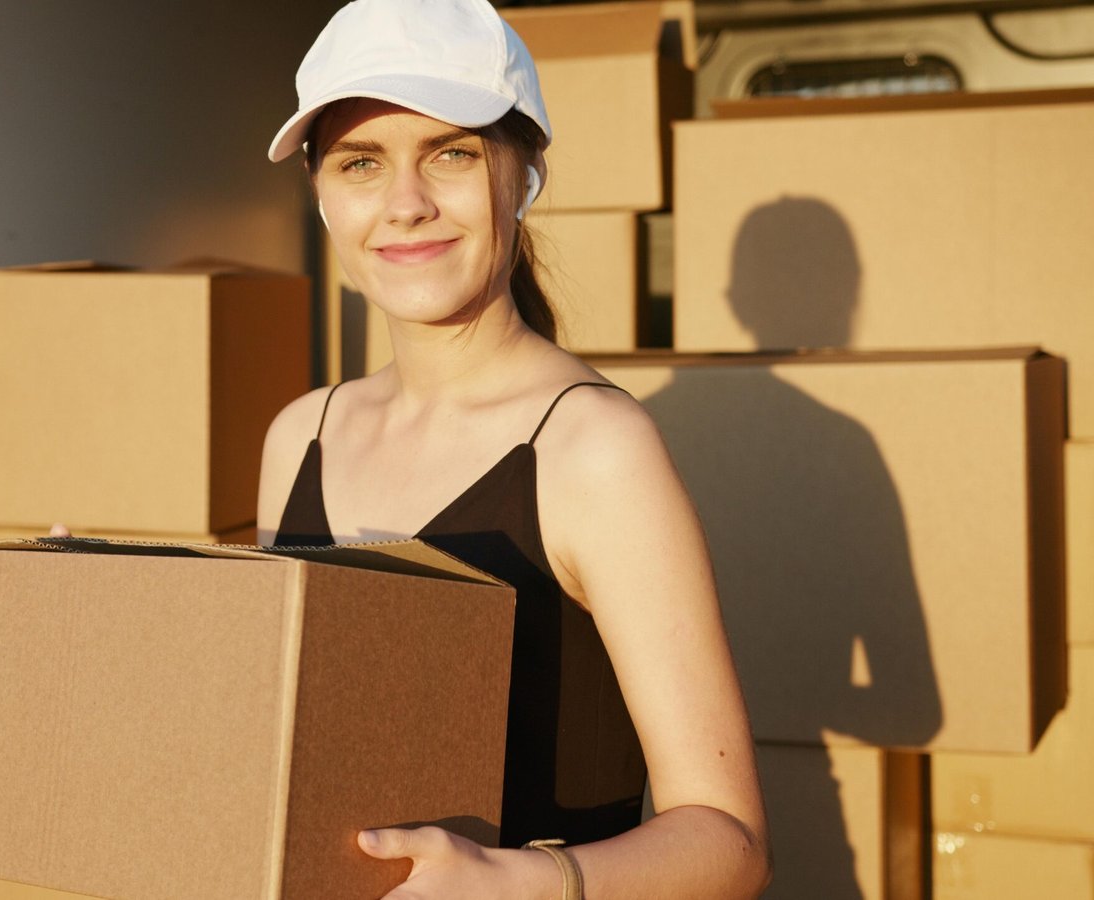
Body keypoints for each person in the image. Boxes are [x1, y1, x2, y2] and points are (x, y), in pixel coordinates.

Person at [256, 1, 771, 897]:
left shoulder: (593, 449)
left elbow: (731, 845)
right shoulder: (300, 434)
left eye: (451, 154)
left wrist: (518, 884)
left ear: (524, 173)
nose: (406, 204)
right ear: (322, 194)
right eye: (361, 163)